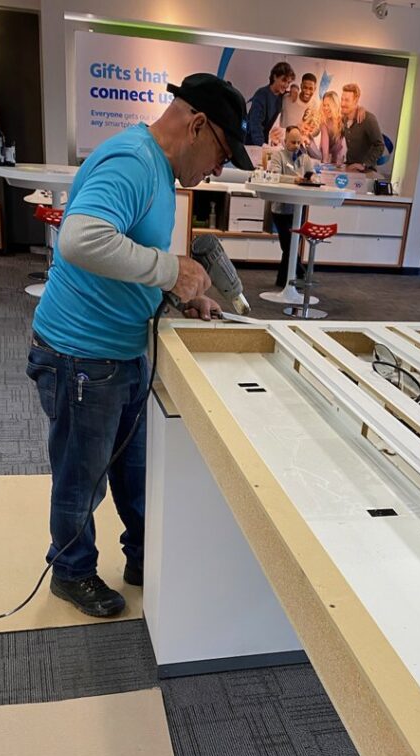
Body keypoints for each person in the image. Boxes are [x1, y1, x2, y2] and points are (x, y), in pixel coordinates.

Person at [27, 73, 253, 618]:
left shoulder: (157, 170)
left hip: (121, 351)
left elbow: (125, 257)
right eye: (222, 154)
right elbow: (81, 240)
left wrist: (177, 297)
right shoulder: (132, 161)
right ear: (197, 125)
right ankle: (71, 572)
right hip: (81, 354)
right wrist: (172, 270)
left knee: (136, 473)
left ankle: (143, 558)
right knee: (82, 477)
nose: (217, 169)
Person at [269, 126, 315, 287]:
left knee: (290, 246)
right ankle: (301, 272)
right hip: (280, 209)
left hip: (298, 208)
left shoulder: (305, 158)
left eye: (298, 142)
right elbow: (274, 176)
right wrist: (293, 180)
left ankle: (283, 280)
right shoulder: (278, 156)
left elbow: (313, 174)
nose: (296, 145)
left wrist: (311, 178)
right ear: (285, 141)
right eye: (293, 142)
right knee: (289, 245)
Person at [245, 61, 295, 147]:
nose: (286, 85)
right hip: (250, 140)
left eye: (288, 82)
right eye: (284, 80)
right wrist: (262, 145)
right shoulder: (261, 95)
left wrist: (295, 88)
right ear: (275, 77)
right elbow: (255, 123)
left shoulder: (281, 94)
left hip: (263, 139)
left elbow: (292, 92)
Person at [340, 82, 384, 171]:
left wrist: (364, 164)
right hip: (350, 168)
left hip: (366, 171)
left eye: (347, 100)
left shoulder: (368, 119)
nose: (342, 103)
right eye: (342, 99)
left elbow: (380, 146)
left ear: (355, 101)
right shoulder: (344, 119)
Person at [305, 90, 346, 167]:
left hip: (338, 151)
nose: (326, 108)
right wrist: (325, 160)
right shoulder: (324, 120)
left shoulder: (342, 119)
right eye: (324, 105)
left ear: (335, 105)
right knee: (323, 157)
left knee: (339, 146)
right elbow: (325, 140)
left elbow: (341, 143)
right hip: (324, 150)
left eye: (328, 105)